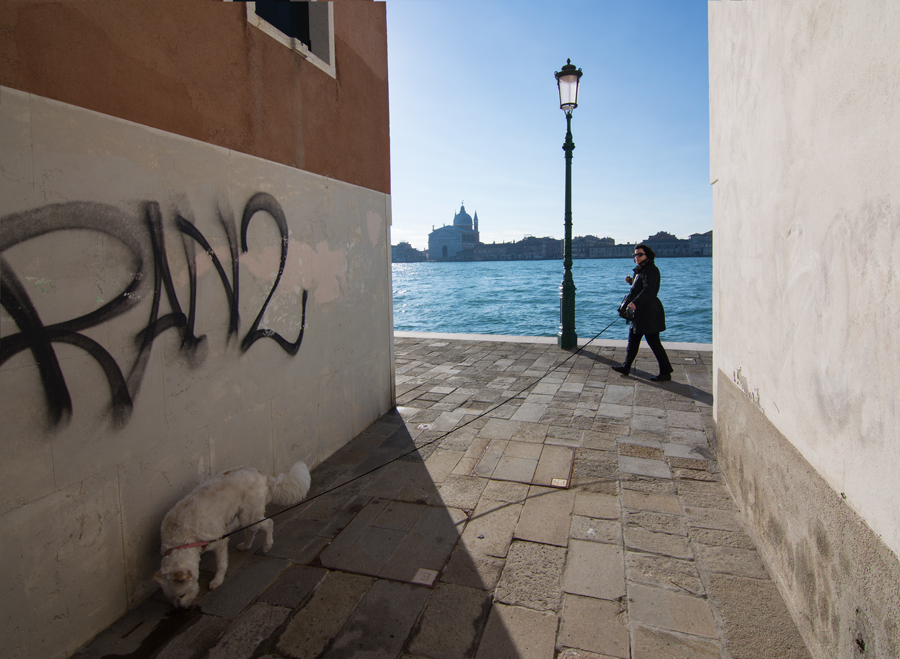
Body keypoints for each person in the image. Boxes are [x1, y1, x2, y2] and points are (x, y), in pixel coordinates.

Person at [611, 244, 674, 381]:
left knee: (654, 342)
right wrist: (632, 282)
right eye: (635, 255)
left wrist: (635, 303)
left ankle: (665, 372)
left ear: (648, 255)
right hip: (640, 313)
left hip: (649, 313)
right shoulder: (641, 270)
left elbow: (650, 290)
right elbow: (641, 286)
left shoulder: (652, 270)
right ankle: (626, 367)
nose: (636, 257)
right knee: (633, 340)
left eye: (640, 254)